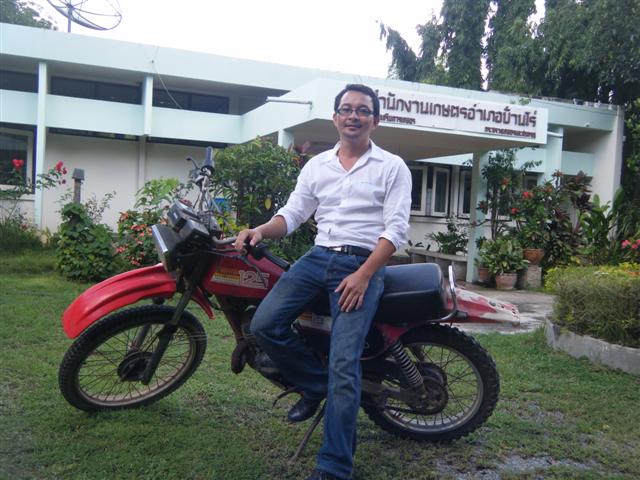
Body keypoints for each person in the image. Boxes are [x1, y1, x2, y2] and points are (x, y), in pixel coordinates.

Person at [234, 83, 412, 480]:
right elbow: (293, 214)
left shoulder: (392, 167)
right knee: (264, 325)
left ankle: (334, 467)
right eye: (346, 109)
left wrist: (364, 275)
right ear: (335, 118)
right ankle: (317, 385)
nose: (353, 116)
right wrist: (260, 230)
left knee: (344, 363)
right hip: (318, 258)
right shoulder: (318, 166)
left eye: (362, 110)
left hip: (363, 261)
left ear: (375, 120)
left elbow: (396, 230)